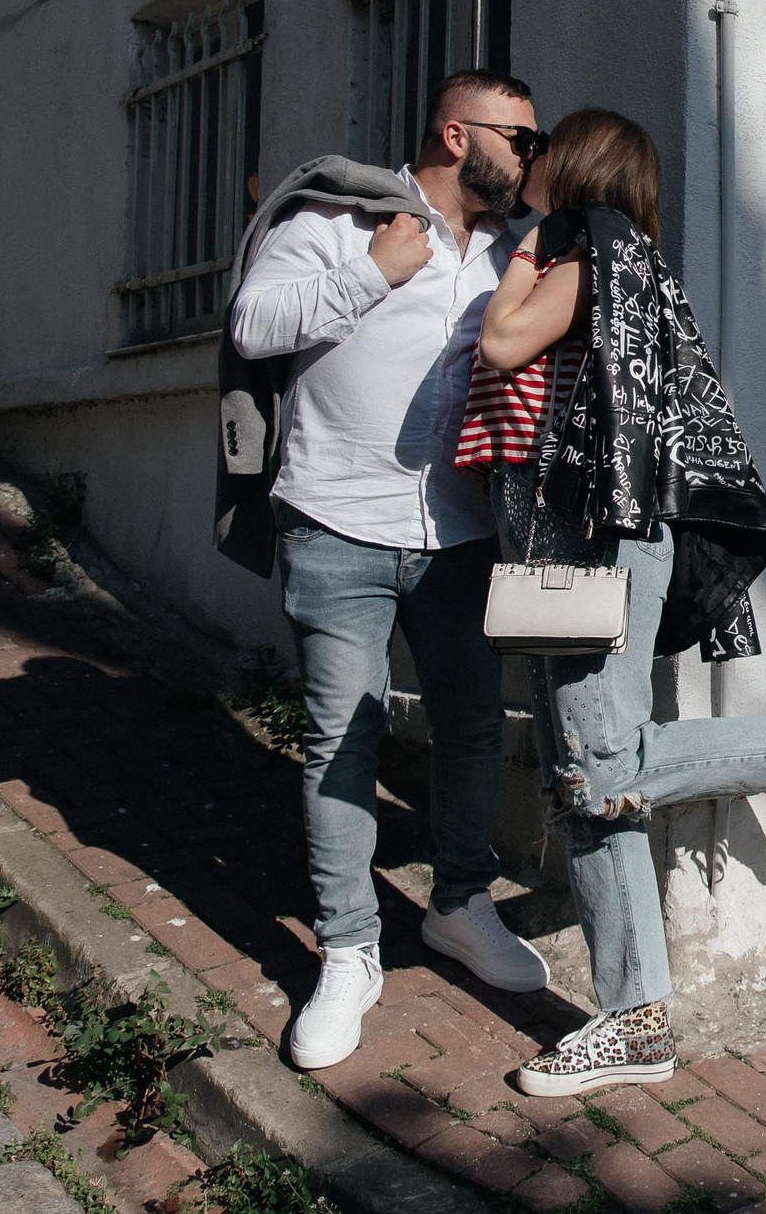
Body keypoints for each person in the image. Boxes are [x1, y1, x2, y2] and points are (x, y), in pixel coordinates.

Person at [456, 107, 766, 1097]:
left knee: (595, 764)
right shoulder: (622, 262)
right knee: (590, 781)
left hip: (588, 532)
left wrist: (529, 244)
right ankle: (636, 1022)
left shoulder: (579, 252)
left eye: (542, 152)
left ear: (573, 168)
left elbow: (499, 347)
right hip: (598, 530)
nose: (526, 167)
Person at [221, 69, 560, 1071]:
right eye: (523, 139)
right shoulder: (339, 221)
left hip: (459, 537)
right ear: (458, 136)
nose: (533, 157)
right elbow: (252, 325)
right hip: (335, 522)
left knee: (465, 727)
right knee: (343, 735)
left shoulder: (509, 247)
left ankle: (457, 904)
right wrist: (374, 272)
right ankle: (349, 951)